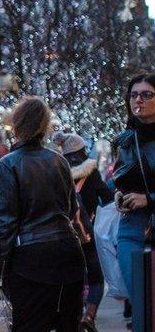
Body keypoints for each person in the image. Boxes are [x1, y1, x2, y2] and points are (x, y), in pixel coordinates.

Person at [0, 97, 85, 332]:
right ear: (45, 126)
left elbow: (7, 223)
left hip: (30, 259)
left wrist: (0, 269)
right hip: (68, 252)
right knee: (68, 324)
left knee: (30, 324)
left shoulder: (8, 164)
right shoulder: (59, 160)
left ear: (16, 126)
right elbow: (71, 208)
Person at [54, 131, 113, 332]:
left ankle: (75, 317)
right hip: (87, 234)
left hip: (63, 235)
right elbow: (108, 197)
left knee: (72, 277)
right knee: (96, 277)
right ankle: (89, 315)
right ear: (81, 151)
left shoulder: (57, 173)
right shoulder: (92, 172)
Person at [113, 72, 155, 330]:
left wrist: (148, 199)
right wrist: (118, 196)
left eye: (147, 94)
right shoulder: (125, 140)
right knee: (141, 302)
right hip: (131, 228)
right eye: (134, 94)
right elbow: (118, 180)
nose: (138, 99)